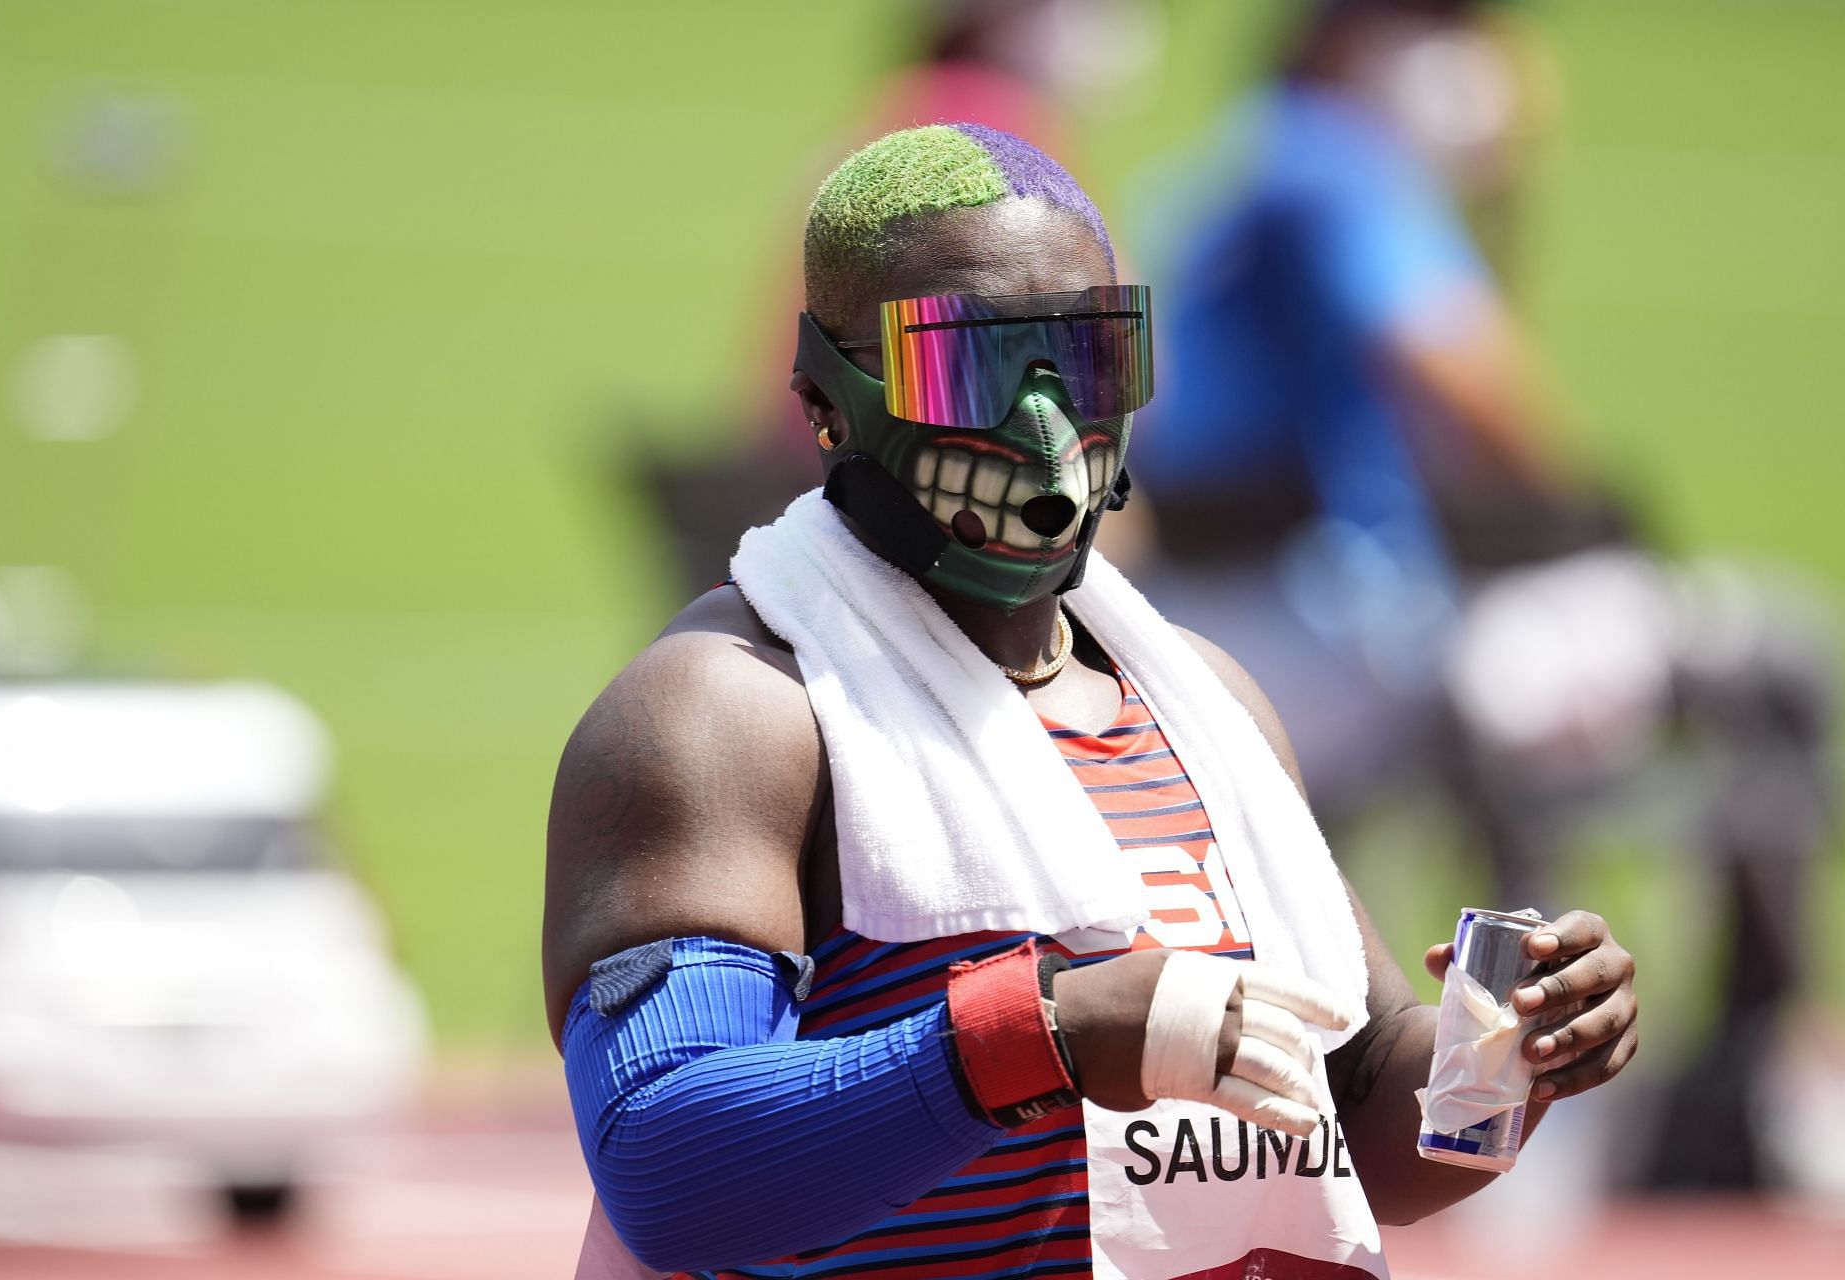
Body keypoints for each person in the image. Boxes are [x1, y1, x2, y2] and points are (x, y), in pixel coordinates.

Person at [544, 124, 1639, 1279]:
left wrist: (1510, 1054)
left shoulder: (1202, 699)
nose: (1046, 423)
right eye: (972, 362)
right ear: (828, 399)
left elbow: (1359, 1109)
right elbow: (664, 1159)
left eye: (1087, 356)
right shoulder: (728, 713)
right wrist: (1041, 1031)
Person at [1126, 0, 1829, 1189]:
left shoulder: (1240, 161)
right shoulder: (1337, 167)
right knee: (1772, 654)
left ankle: (1662, 1091)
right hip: (1320, 631)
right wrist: (1593, 519)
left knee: (1557, 675)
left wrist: (1493, 209)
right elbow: (1458, 367)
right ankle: (1718, 1090)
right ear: (1361, 37)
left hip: (1232, 614)